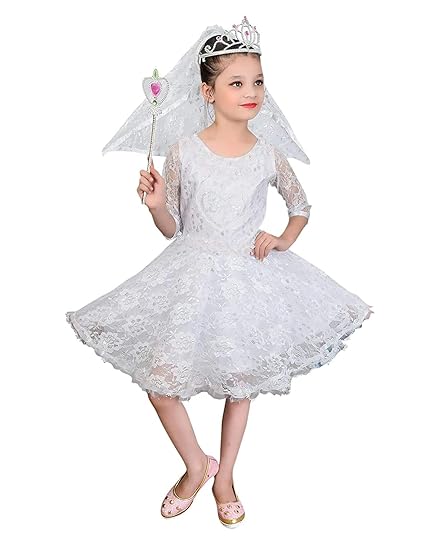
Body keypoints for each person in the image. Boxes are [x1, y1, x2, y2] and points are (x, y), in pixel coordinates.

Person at [66, 17, 373, 528]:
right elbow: (174, 228)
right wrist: (156, 204)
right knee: (162, 383)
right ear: (208, 92)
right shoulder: (183, 151)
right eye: (237, 83)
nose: (251, 92)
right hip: (191, 272)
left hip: (248, 277)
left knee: (240, 381)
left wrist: (282, 238)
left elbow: (300, 206)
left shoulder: (267, 154)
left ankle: (225, 475)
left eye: (258, 81)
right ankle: (197, 465)